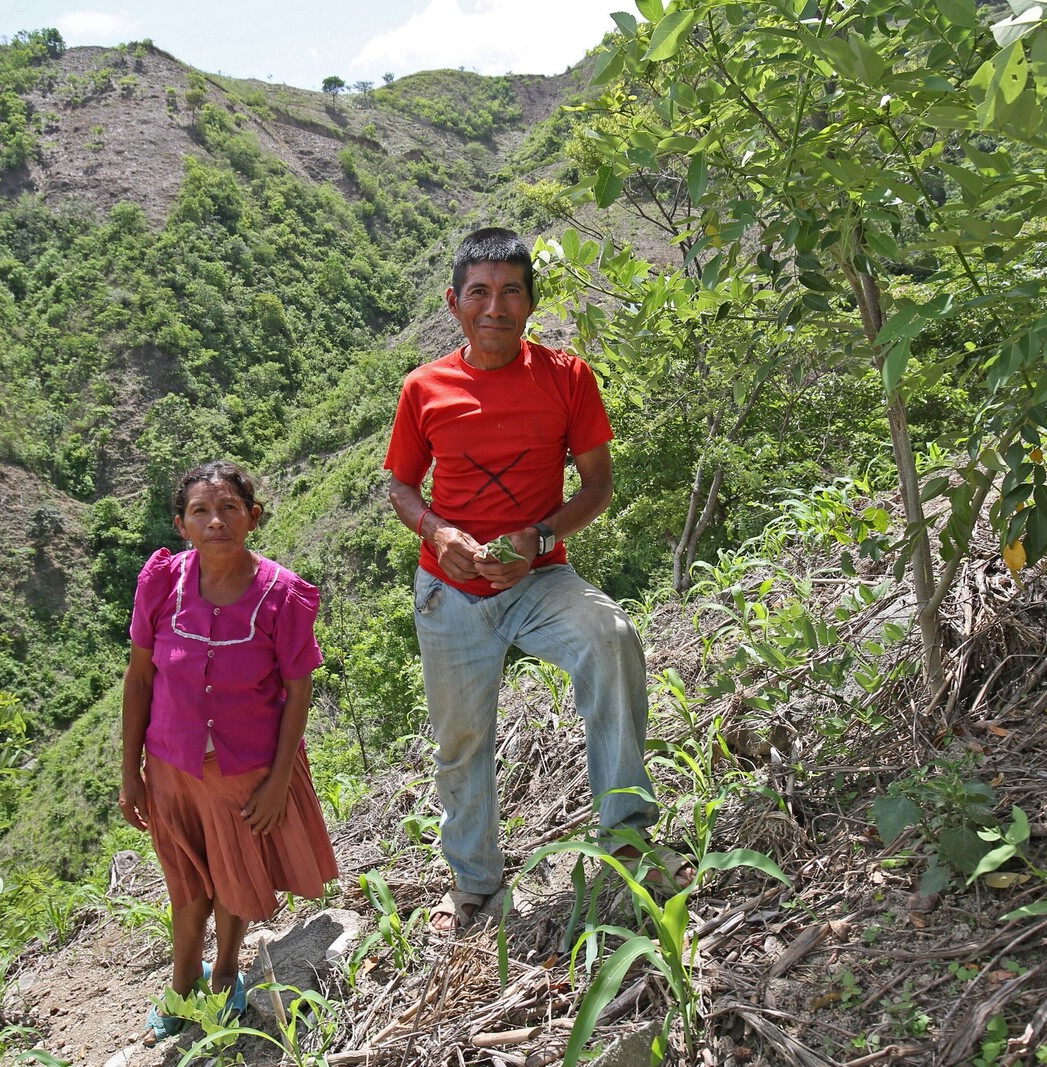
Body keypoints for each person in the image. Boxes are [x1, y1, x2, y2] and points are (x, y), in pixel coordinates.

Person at [384, 227, 678, 934]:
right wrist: (438, 533)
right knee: (461, 742)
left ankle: (629, 838)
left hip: (539, 577)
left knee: (609, 635)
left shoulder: (567, 376)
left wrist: (539, 536)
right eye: (479, 293)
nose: (495, 306)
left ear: (530, 302)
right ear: (454, 303)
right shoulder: (424, 388)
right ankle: (478, 886)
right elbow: (398, 484)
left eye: (511, 290)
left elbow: (599, 484)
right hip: (450, 588)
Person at [118, 460, 339, 1041]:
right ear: (182, 524)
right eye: (200, 511)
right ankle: (181, 984)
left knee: (233, 877)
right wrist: (130, 773)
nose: (216, 521)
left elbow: (297, 691)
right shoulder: (162, 583)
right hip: (170, 767)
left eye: (229, 509)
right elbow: (140, 679)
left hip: (243, 770)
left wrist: (278, 781)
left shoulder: (281, 595)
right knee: (187, 883)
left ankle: (224, 978)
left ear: (253, 518)